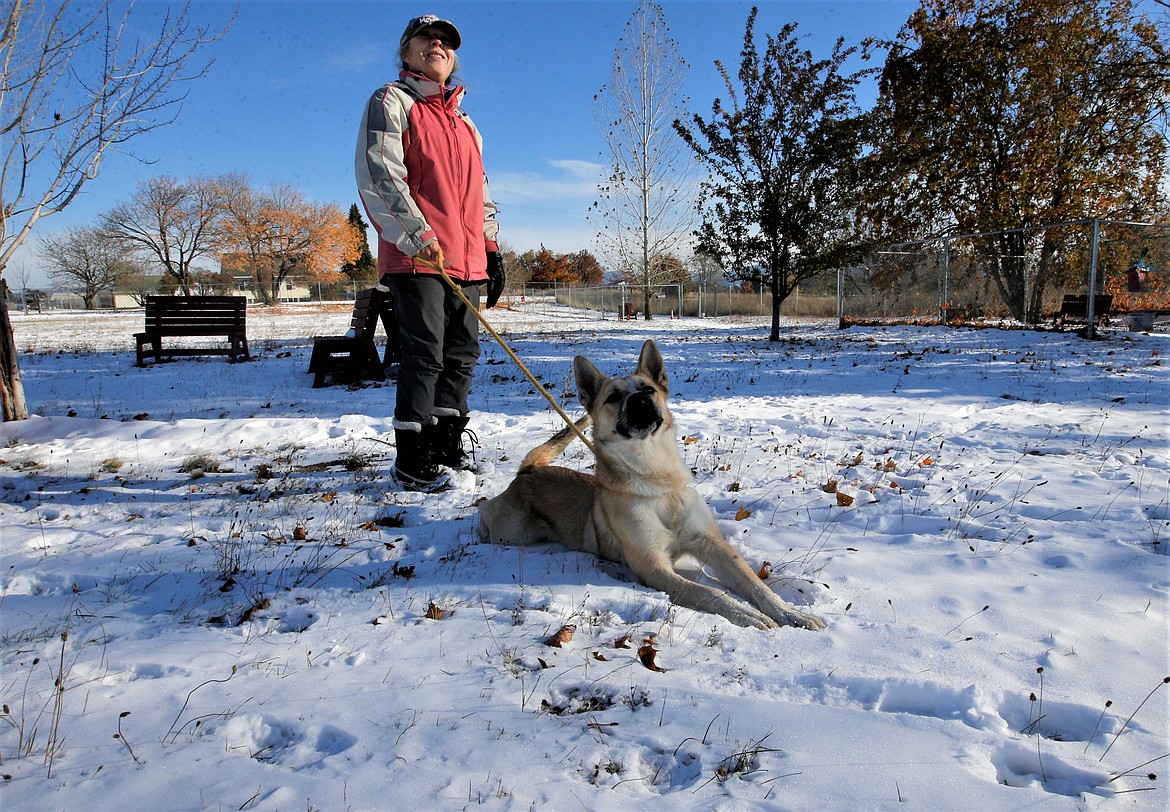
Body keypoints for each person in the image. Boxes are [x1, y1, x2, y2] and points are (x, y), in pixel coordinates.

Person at [356, 13, 505, 492]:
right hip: (419, 255)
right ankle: (413, 457)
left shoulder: (467, 125)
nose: (437, 45)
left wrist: (491, 249)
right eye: (426, 38)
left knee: (461, 355)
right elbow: (380, 174)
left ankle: (446, 445)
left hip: (468, 261)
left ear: (453, 58)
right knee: (425, 356)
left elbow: (480, 194)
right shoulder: (391, 102)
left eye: (445, 42)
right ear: (407, 51)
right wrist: (418, 236)